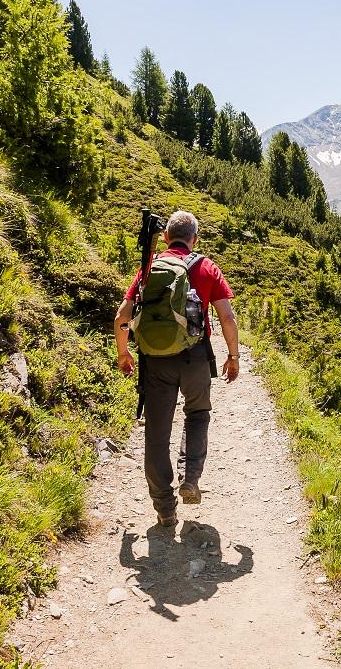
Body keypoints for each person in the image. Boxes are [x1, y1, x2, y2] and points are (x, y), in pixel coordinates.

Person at [113, 210, 240, 528]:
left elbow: (121, 318)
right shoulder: (206, 267)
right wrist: (233, 356)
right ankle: (190, 478)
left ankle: (165, 509)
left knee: (157, 433)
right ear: (194, 238)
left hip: (155, 361)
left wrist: (123, 353)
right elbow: (227, 317)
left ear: (167, 237)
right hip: (195, 357)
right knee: (197, 415)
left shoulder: (149, 268)